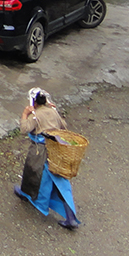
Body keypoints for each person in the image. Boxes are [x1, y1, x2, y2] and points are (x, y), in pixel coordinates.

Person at [16, 88, 82, 229]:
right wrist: (55, 112)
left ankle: (29, 196)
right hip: (57, 150)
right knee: (60, 183)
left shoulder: (35, 115)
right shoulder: (53, 111)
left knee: (34, 173)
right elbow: (63, 127)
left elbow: (24, 129)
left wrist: (24, 114)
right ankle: (26, 194)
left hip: (41, 151)